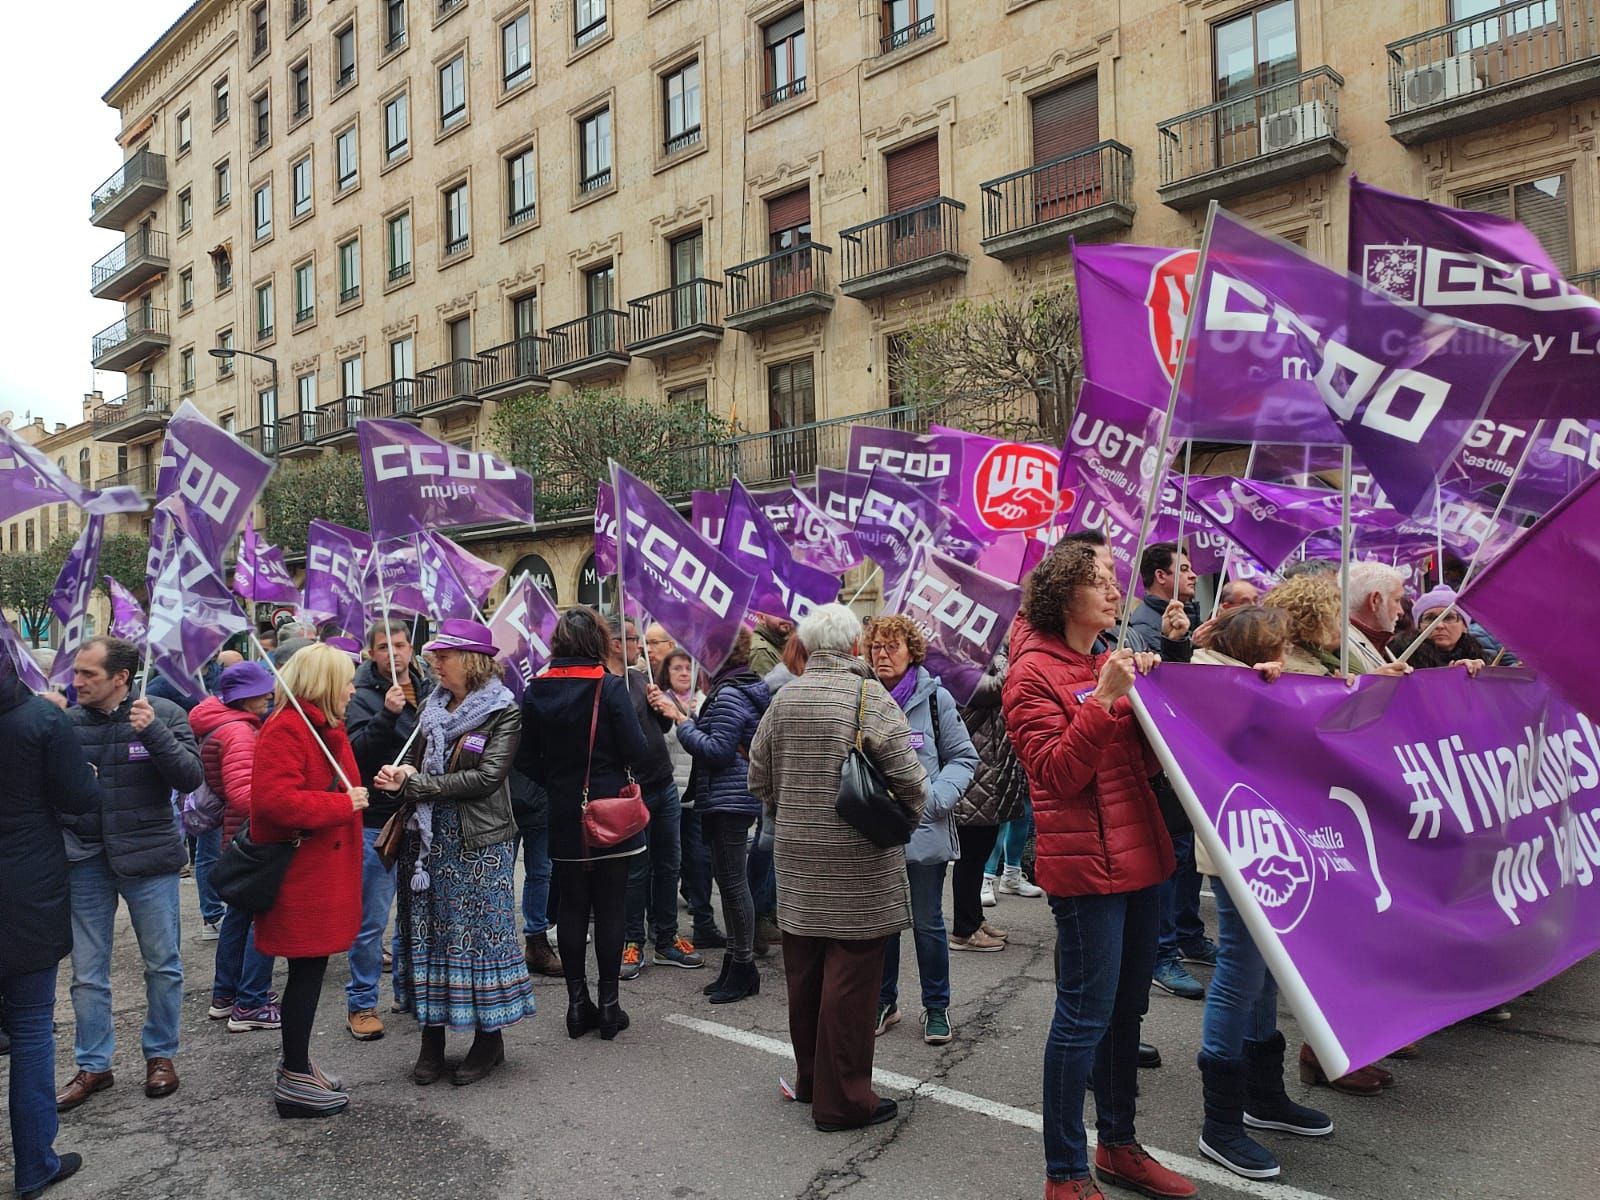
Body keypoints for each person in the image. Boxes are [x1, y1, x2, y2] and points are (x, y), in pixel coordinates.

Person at [1002, 543, 1196, 1200]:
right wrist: (1104, 700)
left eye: (1114, 583)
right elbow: (1057, 774)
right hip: (1086, 872)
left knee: (1127, 1014)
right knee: (1083, 1017)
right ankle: (1064, 1173)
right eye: (1100, 583)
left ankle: (1118, 1145)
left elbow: (1139, 769)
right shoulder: (1028, 675)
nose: (1115, 594)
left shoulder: (1100, 660)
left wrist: (1145, 692)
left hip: (1139, 855)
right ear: (1064, 598)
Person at [746, 603, 927, 1133]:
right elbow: (913, 782)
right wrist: (900, 823)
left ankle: (810, 1082)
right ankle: (842, 1101)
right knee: (850, 984)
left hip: (798, 863)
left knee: (804, 977)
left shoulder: (785, 698)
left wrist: (795, 805)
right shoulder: (868, 697)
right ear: (853, 646)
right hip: (858, 866)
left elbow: (758, 777)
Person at [1190, 607, 1333, 1179]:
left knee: (1267, 971)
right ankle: (1219, 1123)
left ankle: (1262, 1095)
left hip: (1273, 844)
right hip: (1236, 848)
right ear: (1256, 648)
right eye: (1280, 645)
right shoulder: (1209, 680)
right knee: (1240, 974)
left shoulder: (1258, 679)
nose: (1289, 654)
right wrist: (1263, 695)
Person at [376, 619, 533, 1087]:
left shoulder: (503, 712)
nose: (435, 663)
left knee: (478, 937)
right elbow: (418, 761)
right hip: (427, 844)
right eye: (435, 657)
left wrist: (417, 783)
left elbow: (487, 778)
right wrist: (397, 776)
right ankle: (432, 1038)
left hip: (478, 843)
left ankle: (489, 1040)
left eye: (444, 656)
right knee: (428, 935)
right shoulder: (432, 707)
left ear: (471, 660)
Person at [57, 637, 203, 1112]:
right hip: (86, 859)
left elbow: (190, 779)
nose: (76, 681)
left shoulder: (161, 711)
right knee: (86, 972)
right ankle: (93, 1064)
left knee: (162, 964)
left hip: (149, 859)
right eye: (76, 672)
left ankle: (161, 1055)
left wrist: (154, 731)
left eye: (87, 675)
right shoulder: (65, 720)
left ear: (120, 678)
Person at [518, 606, 652, 1041]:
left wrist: (561, 784)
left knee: (572, 907)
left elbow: (525, 759)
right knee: (611, 907)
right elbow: (638, 749)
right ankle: (609, 1007)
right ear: (597, 643)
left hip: (563, 811)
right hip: (611, 809)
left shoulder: (535, 689)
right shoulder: (610, 688)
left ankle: (578, 1007)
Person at [250, 643, 367, 1118]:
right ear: (323, 684)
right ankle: (294, 1076)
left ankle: (298, 1067)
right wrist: (343, 805)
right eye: (346, 681)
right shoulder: (288, 729)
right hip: (303, 877)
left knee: (311, 972)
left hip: (318, 872)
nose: (353, 689)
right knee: (305, 973)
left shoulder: (319, 727)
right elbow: (274, 802)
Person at [1, 654, 96, 1197]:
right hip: (24, 893)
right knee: (33, 1029)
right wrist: (85, 774)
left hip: (23, 889)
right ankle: (34, 1165)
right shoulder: (42, 721)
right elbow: (80, 802)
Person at [864, 615, 977, 1046]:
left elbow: (963, 758)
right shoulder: (863, 698)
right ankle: (884, 1001)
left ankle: (936, 1007)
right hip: (873, 831)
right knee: (882, 924)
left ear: (912, 651)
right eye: (876, 646)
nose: (882, 653)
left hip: (921, 831)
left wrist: (933, 800)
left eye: (892, 646)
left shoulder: (935, 699)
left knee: (927, 923)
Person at [651, 628, 771, 1003]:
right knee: (730, 882)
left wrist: (681, 721)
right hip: (728, 796)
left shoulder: (731, 693)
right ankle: (736, 963)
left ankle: (743, 964)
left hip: (730, 798)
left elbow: (718, 750)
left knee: (734, 886)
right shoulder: (733, 689)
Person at [342, 619, 435, 1042]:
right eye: (384, 647)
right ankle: (361, 1003)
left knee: (416, 917)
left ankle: (408, 991)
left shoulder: (431, 688)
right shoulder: (360, 697)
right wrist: (387, 715)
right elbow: (357, 754)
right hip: (378, 822)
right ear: (371, 653)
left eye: (400, 645)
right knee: (372, 920)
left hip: (420, 816)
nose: (394, 653)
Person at [188, 662, 281, 1033]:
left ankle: (225, 995)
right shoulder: (240, 733)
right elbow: (244, 796)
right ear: (246, 696)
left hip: (234, 836)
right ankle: (252, 1001)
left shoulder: (220, 724)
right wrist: (282, 802)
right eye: (263, 691)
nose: (269, 696)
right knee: (262, 918)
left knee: (238, 917)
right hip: (250, 836)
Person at [608, 614, 701, 977]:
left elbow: (660, 725)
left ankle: (666, 938)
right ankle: (633, 942)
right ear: (617, 643)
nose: (641, 647)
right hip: (634, 790)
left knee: (669, 864)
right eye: (635, 640)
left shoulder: (639, 677)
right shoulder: (608, 683)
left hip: (663, 786)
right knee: (636, 870)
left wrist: (660, 704)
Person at [951, 646, 1026, 953]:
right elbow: (998, 687)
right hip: (975, 779)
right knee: (969, 858)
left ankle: (975, 919)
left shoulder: (983, 660)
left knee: (979, 852)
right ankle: (963, 930)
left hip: (989, 778)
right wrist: (1011, 656)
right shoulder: (956, 665)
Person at [658, 649, 723, 949]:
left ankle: (704, 922)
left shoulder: (705, 701)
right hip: (670, 793)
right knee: (667, 862)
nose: (684, 673)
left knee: (699, 862)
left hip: (696, 795)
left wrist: (689, 717)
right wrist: (675, 717)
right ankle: (658, 924)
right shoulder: (660, 701)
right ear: (667, 674)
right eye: (677, 669)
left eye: (688, 668)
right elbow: (665, 741)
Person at [1126, 542, 1198, 662]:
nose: (1193, 575)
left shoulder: (1189, 614)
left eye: (1190, 569)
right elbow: (1170, 674)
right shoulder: (1144, 628)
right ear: (1160, 576)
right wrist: (1176, 641)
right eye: (1184, 569)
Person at [1397, 587, 1489, 675]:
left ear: (1464, 626)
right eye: (1430, 618)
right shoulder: (1401, 659)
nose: (1439, 625)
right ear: (1419, 627)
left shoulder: (1478, 656)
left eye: (1449, 618)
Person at [1345, 560, 1409, 674]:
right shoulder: (1343, 646)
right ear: (1375, 600)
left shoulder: (1378, 641)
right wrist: (1374, 681)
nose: (1401, 611)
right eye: (1397, 600)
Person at [748, 613, 793, 677]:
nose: (786, 619)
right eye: (779, 612)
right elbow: (771, 685)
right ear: (762, 618)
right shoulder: (761, 650)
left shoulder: (781, 644)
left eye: (789, 614)